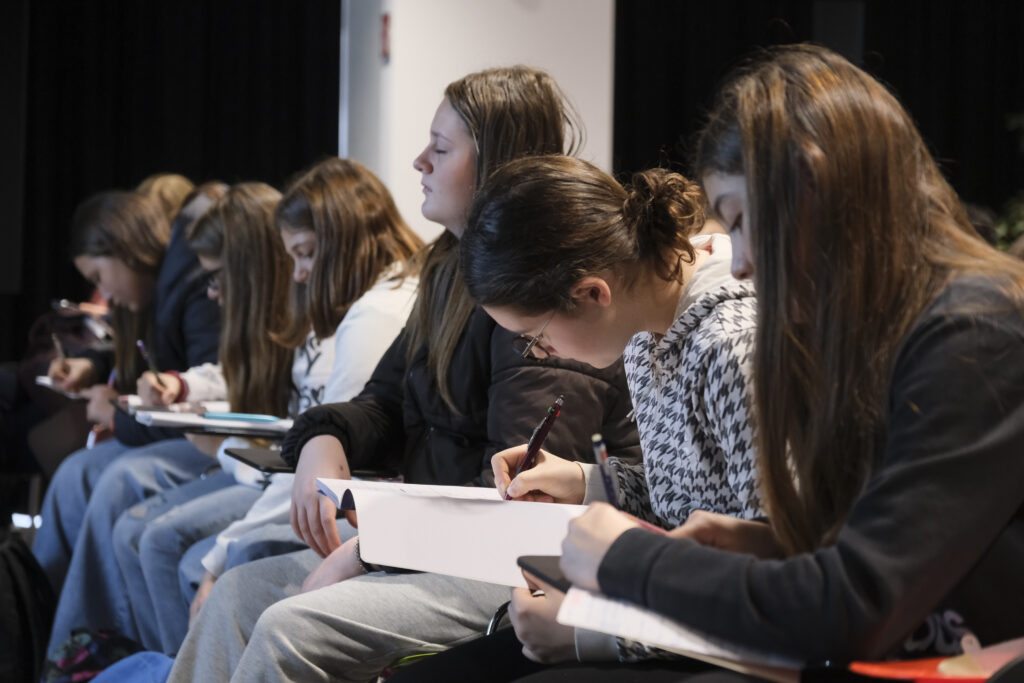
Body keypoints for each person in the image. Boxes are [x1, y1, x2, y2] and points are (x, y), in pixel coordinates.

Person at [407, 44, 1024, 683]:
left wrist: (627, 565)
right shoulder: (888, 328)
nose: (741, 261)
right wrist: (769, 544)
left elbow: (851, 606)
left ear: (811, 187)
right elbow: (858, 551)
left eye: (742, 220)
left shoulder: (974, 333)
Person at [165, 65, 640, 683]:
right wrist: (325, 436)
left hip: (498, 562)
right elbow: (385, 400)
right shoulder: (444, 270)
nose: (419, 162)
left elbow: (517, 500)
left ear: (494, 161)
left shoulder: (535, 293)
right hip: (429, 547)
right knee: (235, 593)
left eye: (440, 148)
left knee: (289, 626)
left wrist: (370, 551)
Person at [386, 154, 765, 681]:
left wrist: (596, 635)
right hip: (666, 603)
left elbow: (776, 581)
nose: (540, 354)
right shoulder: (646, 335)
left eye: (536, 338)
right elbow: (688, 501)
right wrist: (583, 481)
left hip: (714, 640)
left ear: (591, 293)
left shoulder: (731, 348)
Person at [113, 158, 424, 654]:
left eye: (306, 254)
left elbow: (328, 463)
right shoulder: (350, 307)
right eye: (292, 256)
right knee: (146, 527)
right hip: (289, 482)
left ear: (343, 241)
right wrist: (185, 387)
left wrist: (222, 553)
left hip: (333, 500)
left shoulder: (372, 316)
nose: (297, 274)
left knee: (176, 547)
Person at [33, 186, 221, 597]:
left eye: (98, 278)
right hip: (183, 435)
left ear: (125, 249)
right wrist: (92, 365)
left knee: (111, 480)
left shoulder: (193, 285)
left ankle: (77, 630)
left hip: (211, 443)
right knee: (75, 473)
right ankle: (45, 615)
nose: (105, 294)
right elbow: (147, 356)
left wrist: (119, 416)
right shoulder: (164, 287)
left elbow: (209, 403)